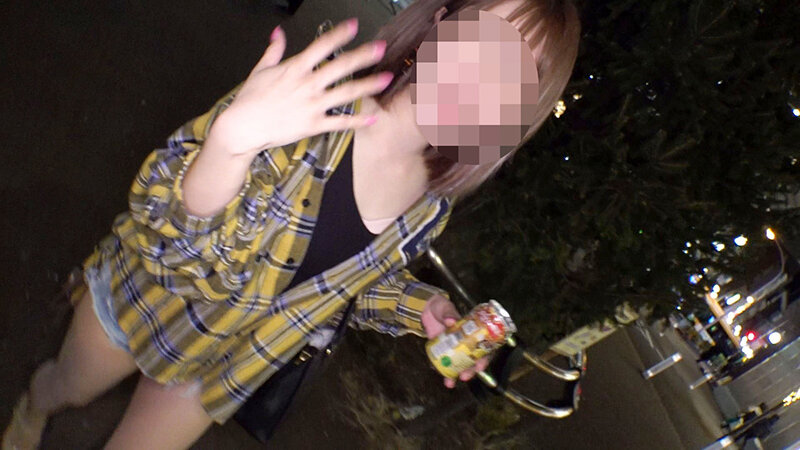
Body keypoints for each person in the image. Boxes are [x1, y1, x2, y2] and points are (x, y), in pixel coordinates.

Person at [3, 0, 580, 448]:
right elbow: (163, 228)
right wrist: (227, 147)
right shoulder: (310, 106)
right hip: (152, 298)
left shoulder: (430, 209)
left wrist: (422, 309)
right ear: (443, 23)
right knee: (66, 388)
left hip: (228, 363)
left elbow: (345, 288)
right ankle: (34, 406)